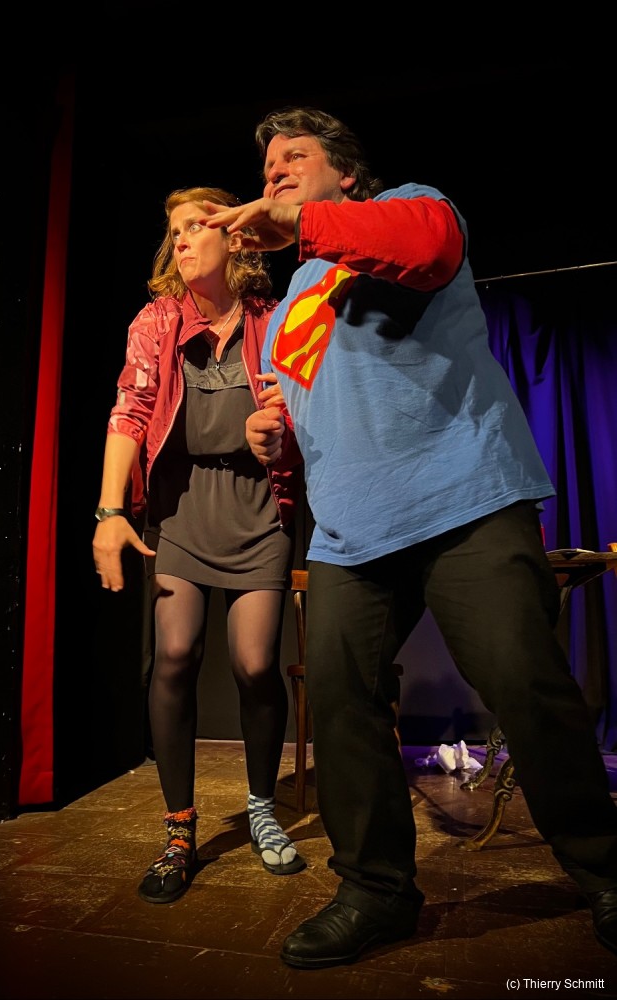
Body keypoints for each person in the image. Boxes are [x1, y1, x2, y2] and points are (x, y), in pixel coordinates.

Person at [202, 107, 617, 966]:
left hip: (464, 496)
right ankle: (375, 891)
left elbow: (426, 248)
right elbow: (309, 411)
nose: (275, 173)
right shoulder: (290, 307)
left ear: (346, 174)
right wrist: (273, 436)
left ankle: (608, 870)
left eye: (296, 157)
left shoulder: (412, 209)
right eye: (268, 166)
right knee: (341, 705)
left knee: (525, 683)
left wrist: (303, 224)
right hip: (350, 532)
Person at [92, 186, 305, 905]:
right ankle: (179, 830)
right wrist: (109, 511)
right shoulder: (157, 321)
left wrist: (279, 431)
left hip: (257, 510)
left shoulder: (272, 320)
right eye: (174, 231)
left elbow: (304, 415)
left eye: (196, 226)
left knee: (255, 664)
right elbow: (130, 411)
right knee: (176, 655)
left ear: (235, 239)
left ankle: (261, 807)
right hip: (181, 510)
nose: (181, 240)